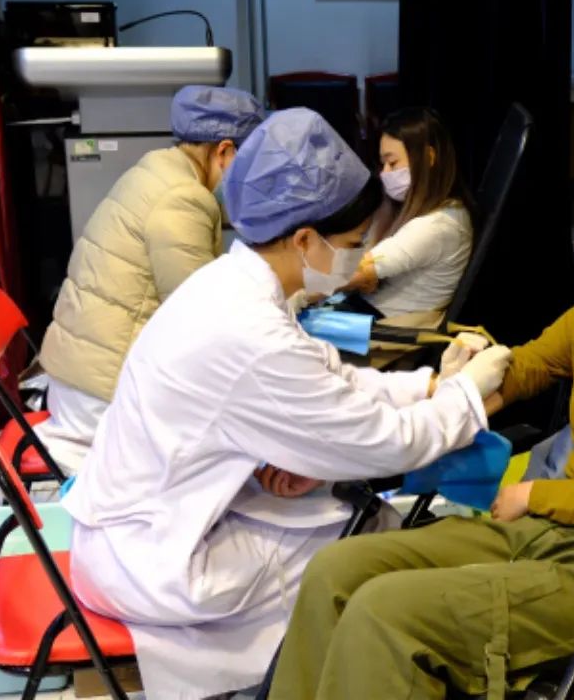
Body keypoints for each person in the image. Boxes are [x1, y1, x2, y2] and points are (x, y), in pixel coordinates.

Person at [267, 152, 574, 700]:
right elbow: (521, 371)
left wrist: (537, 494)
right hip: (538, 534)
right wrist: (453, 391)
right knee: (335, 571)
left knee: (384, 612)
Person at [60, 108, 513, 700]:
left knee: (341, 515)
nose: (355, 257)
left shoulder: (231, 284)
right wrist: (465, 395)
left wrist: (427, 387)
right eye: (350, 245)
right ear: (303, 240)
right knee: (366, 552)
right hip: (152, 559)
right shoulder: (250, 332)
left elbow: (328, 379)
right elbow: (383, 442)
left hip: (139, 522)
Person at [36, 85, 263, 474]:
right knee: (237, 450)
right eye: (250, 161)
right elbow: (200, 312)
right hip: (102, 397)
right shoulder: (183, 197)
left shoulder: (156, 167)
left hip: (78, 375)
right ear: (224, 151)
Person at [340, 107, 474, 323]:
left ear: (428, 158)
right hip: (371, 311)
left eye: (392, 163)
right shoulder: (438, 210)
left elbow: (351, 274)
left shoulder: (436, 227)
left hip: (388, 328)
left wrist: (295, 281)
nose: (384, 173)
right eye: (383, 164)